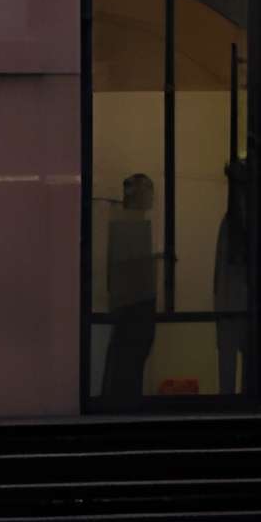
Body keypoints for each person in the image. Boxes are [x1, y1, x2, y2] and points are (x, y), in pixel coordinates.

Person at [101, 172, 159, 404]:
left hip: (130, 307)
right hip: (134, 308)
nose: (152, 198)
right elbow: (128, 270)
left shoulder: (126, 226)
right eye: (148, 192)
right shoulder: (130, 227)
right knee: (128, 371)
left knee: (126, 370)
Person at [212, 158, 253, 399]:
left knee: (232, 367)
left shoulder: (232, 223)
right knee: (236, 366)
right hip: (235, 303)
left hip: (231, 303)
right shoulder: (236, 223)